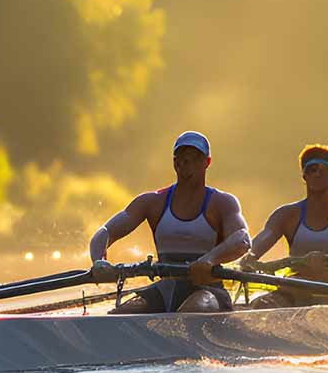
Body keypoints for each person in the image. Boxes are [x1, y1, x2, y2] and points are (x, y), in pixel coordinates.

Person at [88, 131, 250, 312]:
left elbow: (242, 239)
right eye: (180, 160)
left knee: (193, 310)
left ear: (207, 162)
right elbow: (105, 232)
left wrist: (210, 260)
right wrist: (98, 262)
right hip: (165, 290)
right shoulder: (152, 202)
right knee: (119, 316)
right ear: (174, 163)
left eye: (193, 159)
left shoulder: (222, 203)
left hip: (208, 291)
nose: (185, 166)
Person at [242, 143, 328, 307]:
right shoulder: (286, 215)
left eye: (324, 169)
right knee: (262, 305)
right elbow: (256, 247)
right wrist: (248, 260)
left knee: (323, 290)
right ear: (304, 175)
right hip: (298, 283)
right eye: (312, 169)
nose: (318, 174)